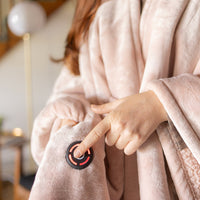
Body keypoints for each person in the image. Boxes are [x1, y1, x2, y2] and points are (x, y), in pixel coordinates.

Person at [29, 0, 200, 199]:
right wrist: (72, 120)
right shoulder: (100, 10)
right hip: (112, 184)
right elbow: (72, 85)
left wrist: (159, 103)